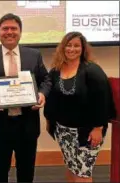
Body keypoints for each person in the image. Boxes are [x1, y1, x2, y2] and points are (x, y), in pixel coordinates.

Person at [0, 13, 51, 182]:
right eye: (5, 28)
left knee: (26, 172)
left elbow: (46, 79)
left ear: (20, 32)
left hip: (27, 124)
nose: (9, 32)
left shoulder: (34, 55)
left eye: (13, 28)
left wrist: (42, 93)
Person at [44, 31, 116, 182]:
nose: (72, 49)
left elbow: (102, 100)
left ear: (83, 49)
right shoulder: (56, 70)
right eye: (68, 45)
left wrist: (98, 128)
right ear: (62, 48)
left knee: (83, 174)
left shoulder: (92, 70)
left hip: (87, 132)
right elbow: (50, 97)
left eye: (77, 46)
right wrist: (49, 120)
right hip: (64, 132)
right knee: (72, 168)